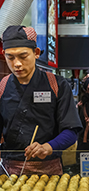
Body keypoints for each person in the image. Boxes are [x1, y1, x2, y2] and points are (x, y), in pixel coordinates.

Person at [0, 25, 82, 175]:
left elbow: (71, 131)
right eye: (10, 57)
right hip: (8, 170)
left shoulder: (57, 85)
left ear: (36, 53)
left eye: (23, 56)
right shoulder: (3, 86)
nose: (17, 63)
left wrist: (49, 147)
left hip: (48, 169)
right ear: (3, 54)